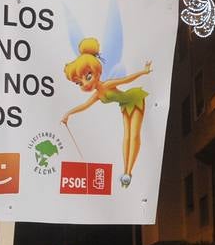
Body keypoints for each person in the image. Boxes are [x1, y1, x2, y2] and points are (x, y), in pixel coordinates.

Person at [61, 37, 153, 187]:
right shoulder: (97, 95)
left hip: (134, 99)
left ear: (96, 72)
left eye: (87, 76)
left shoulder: (107, 85)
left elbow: (126, 80)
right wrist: (68, 114)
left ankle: (128, 172)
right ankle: (126, 171)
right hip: (124, 105)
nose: (85, 84)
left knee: (134, 135)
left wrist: (144, 71)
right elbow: (84, 105)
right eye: (79, 83)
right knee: (127, 137)